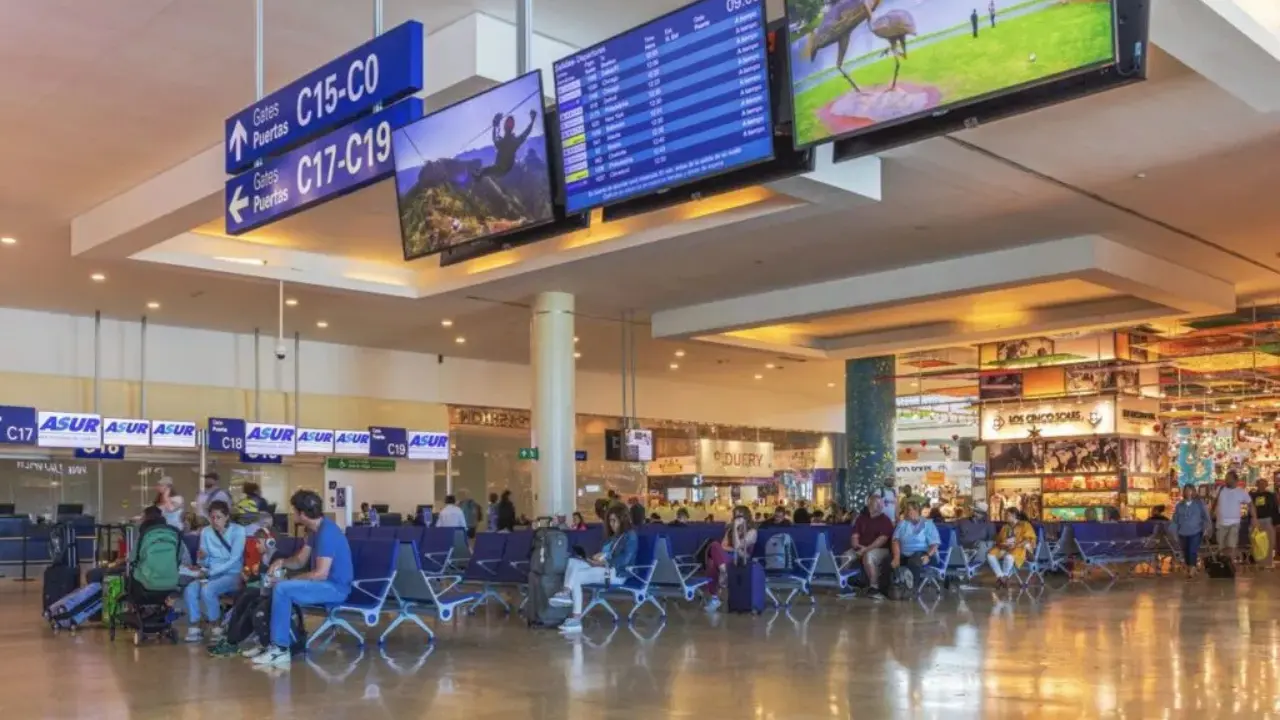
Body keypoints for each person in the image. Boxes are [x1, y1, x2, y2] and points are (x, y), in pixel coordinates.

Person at [251, 490, 353, 668]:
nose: (293, 514)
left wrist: (289, 581)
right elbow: (299, 560)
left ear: (302, 513)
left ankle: (280, 649)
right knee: (281, 588)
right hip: (326, 584)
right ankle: (272, 642)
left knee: (282, 589)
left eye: (294, 510)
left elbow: (320, 573)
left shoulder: (327, 533)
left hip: (336, 589)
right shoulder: (315, 531)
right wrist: (282, 562)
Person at [550, 505, 637, 633]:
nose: (611, 524)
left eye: (614, 520)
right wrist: (595, 558)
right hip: (605, 567)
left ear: (622, 520)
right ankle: (566, 592)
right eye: (610, 521)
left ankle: (576, 618)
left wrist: (604, 562)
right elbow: (608, 554)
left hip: (616, 572)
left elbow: (624, 560)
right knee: (573, 562)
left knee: (577, 576)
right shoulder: (613, 537)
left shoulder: (630, 536)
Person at [182, 500, 246, 643]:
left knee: (208, 590)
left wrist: (210, 572)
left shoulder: (238, 531)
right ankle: (195, 625)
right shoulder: (206, 531)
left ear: (227, 517)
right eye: (212, 517)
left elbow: (234, 559)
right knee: (190, 589)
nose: (215, 521)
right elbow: (204, 562)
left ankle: (215, 625)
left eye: (219, 517)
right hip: (211, 573)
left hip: (232, 573)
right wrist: (202, 559)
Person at [703, 506, 757, 612]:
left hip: (742, 559)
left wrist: (735, 533)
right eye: (736, 516)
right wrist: (734, 546)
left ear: (746, 517)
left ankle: (715, 598)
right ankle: (724, 570)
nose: (737, 519)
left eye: (740, 516)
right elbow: (723, 546)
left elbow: (738, 547)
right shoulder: (730, 530)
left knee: (713, 563)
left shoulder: (752, 532)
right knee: (714, 545)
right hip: (727, 558)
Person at [471, 108, 538, 181]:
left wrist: (495, 126)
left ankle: (479, 175)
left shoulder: (507, 142)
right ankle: (479, 174)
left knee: (486, 171)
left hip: (501, 169)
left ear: (505, 127)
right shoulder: (513, 142)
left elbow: (495, 138)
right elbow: (526, 133)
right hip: (503, 169)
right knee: (486, 170)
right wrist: (532, 120)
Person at [849, 495, 895, 596]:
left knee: (868, 556)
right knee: (846, 556)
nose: (880, 505)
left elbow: (882, 540)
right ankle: (845, 585)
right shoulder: (861, 518)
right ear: (869, 504)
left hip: (881, 549)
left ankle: (874, 587)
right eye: (877, 503)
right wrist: (856, 546)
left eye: (881, 503)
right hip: (861, 547)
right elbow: (855, 535)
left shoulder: (885, 520)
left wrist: (866, 549)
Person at [891, 503, 941, 594]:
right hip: (905, 554)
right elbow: (895, 541)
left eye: (908, 510)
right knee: (888, 560)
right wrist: (896, 557)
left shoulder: (928, 524)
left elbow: (935, 544)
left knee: (914, 561)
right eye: (906, 510)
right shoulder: (902, 524)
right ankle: (891, 588)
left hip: (924, 553)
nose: (906, 512)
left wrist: (928, 555)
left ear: (917, 511)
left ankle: (911, 589)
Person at [1214, 470, 1255, 567]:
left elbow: (1250, 504)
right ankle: (1223, 564)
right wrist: (1211, 512)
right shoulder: (1220, 489)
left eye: (1229, 478)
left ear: (1235, 480)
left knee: (1231, 545)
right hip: (1221, 522)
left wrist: (1254, 517)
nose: (1226, 480)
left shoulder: (1241, 492)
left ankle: (1229, 565)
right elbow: (1214, 501)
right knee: (1221, 546)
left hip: (1234, 523)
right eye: (1226, 478)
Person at [1171, 484, 1212, 578]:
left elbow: (1205, 517)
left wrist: (1207, 528)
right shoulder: (1179, 505)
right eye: (1186, 490)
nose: (1187, 492)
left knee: (1192, 550)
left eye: (1189, 490)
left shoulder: (1199, 504)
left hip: (1196, 531)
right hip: (1182, 532)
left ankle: (1192, 568)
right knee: (1186, 551)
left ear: (1193, 491)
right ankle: (1190, 567)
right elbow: (1175, 519)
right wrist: (1173, 531)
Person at [987, 509, 1036, 587]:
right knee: (990, 555)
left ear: (1014, 516)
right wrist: (1002, 544)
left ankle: (1004, 577)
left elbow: (1028, 539)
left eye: (1007, 515)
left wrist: (1016, 545)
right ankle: (1002, 577)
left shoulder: (1025, 525)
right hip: (1005, 547)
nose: (1005, 516)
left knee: (1009, 557)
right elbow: (999, 540)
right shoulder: (1005, 527)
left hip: (1019, 548)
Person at [1251, 476, 1278, 569]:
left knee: (1270, 541)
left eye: (1263, 484)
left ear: (1266, 485)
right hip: (1256, 521)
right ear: (1256, 485)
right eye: (1259, 484)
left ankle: (1268, 562)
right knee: (1257, 542)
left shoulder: (1271, 495)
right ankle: (1259, 562)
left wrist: (1276, 522)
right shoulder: (1253, 495)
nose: (1261, 486)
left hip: (1268, 520)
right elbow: (1250, 508)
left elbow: (1275, 508)